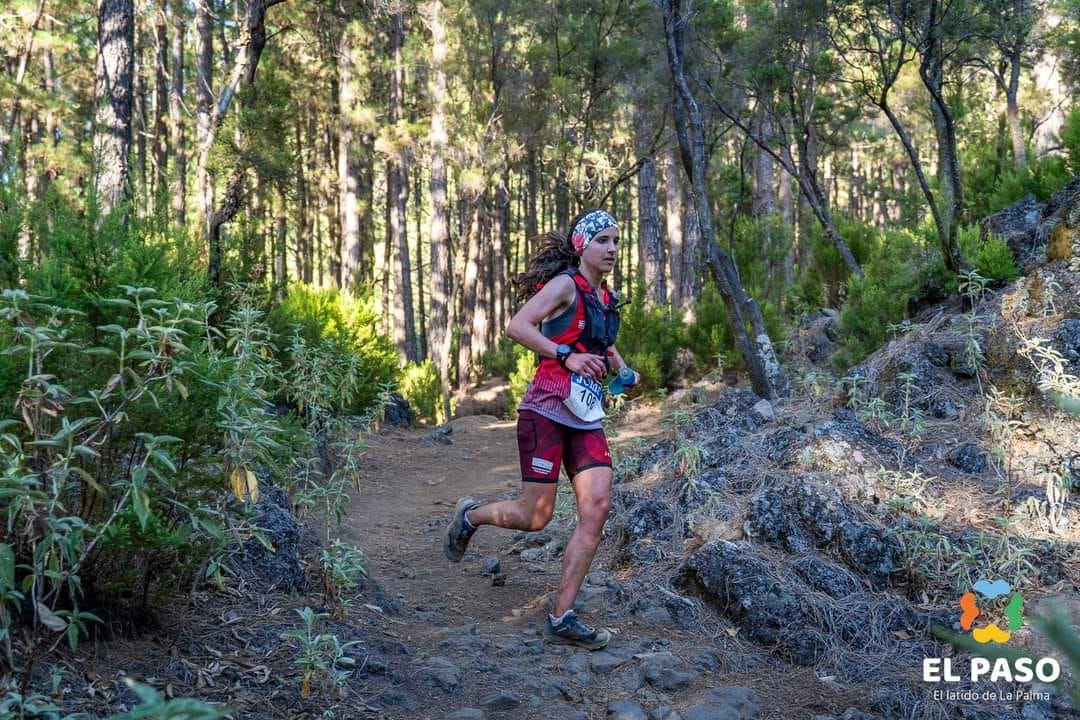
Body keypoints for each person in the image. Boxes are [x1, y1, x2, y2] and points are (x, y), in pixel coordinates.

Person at [443, 208, 637, 651]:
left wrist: (621, 370)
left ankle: (561, 616)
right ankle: (470, 515)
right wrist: (565, 355)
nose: (611, 248)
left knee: (598, 506)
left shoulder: (605, 297)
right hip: (546, 410)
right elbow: (517, 326)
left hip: (585, 415)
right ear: (581, 244)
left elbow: (603, 342)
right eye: (603, 240)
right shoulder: (564, 285)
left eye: (616, 241)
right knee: (536, 517)